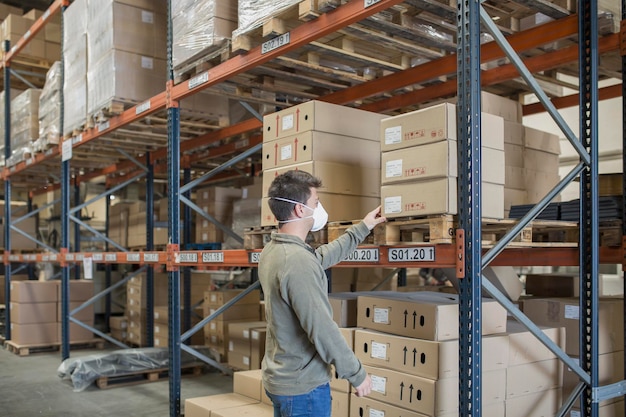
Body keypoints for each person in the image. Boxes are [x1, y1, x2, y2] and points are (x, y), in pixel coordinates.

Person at [258, 170, 387, 417]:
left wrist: (363, 228)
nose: (319, 209)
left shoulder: (274, 251)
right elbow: (321, 328)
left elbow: (318, 259)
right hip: (303, 387)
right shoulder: (296, 262)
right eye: (316, 203)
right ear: (299, 210)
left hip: (284, 377)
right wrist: (356, 373)